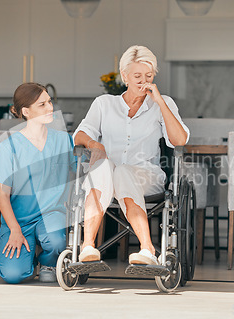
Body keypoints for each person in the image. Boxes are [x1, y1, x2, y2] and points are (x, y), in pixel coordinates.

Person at [74, 45, 190, 265]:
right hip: (106, 177)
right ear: (124, 76)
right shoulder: (104, 104)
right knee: (105, 168)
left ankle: (147, 250)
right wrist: (94, 145)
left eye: (148, 76)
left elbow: (179, 140)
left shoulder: (161, 104)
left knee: (123, 172)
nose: (143, 80)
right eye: (137, 75)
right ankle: (87, 246)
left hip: (146, 177)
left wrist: (160, 103)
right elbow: (80, 135)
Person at [0, 82, 75, 284]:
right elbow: (2, 195)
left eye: (50, 102)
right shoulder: (8, 145)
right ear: (26, 111)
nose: (50, 108)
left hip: (52, 213)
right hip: (19, 218)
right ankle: (28, 261)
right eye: (42, 104)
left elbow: (77, 175)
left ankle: (48, 262)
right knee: (13, 275)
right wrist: (15, 230)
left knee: (56, 241)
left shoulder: (63, 140)